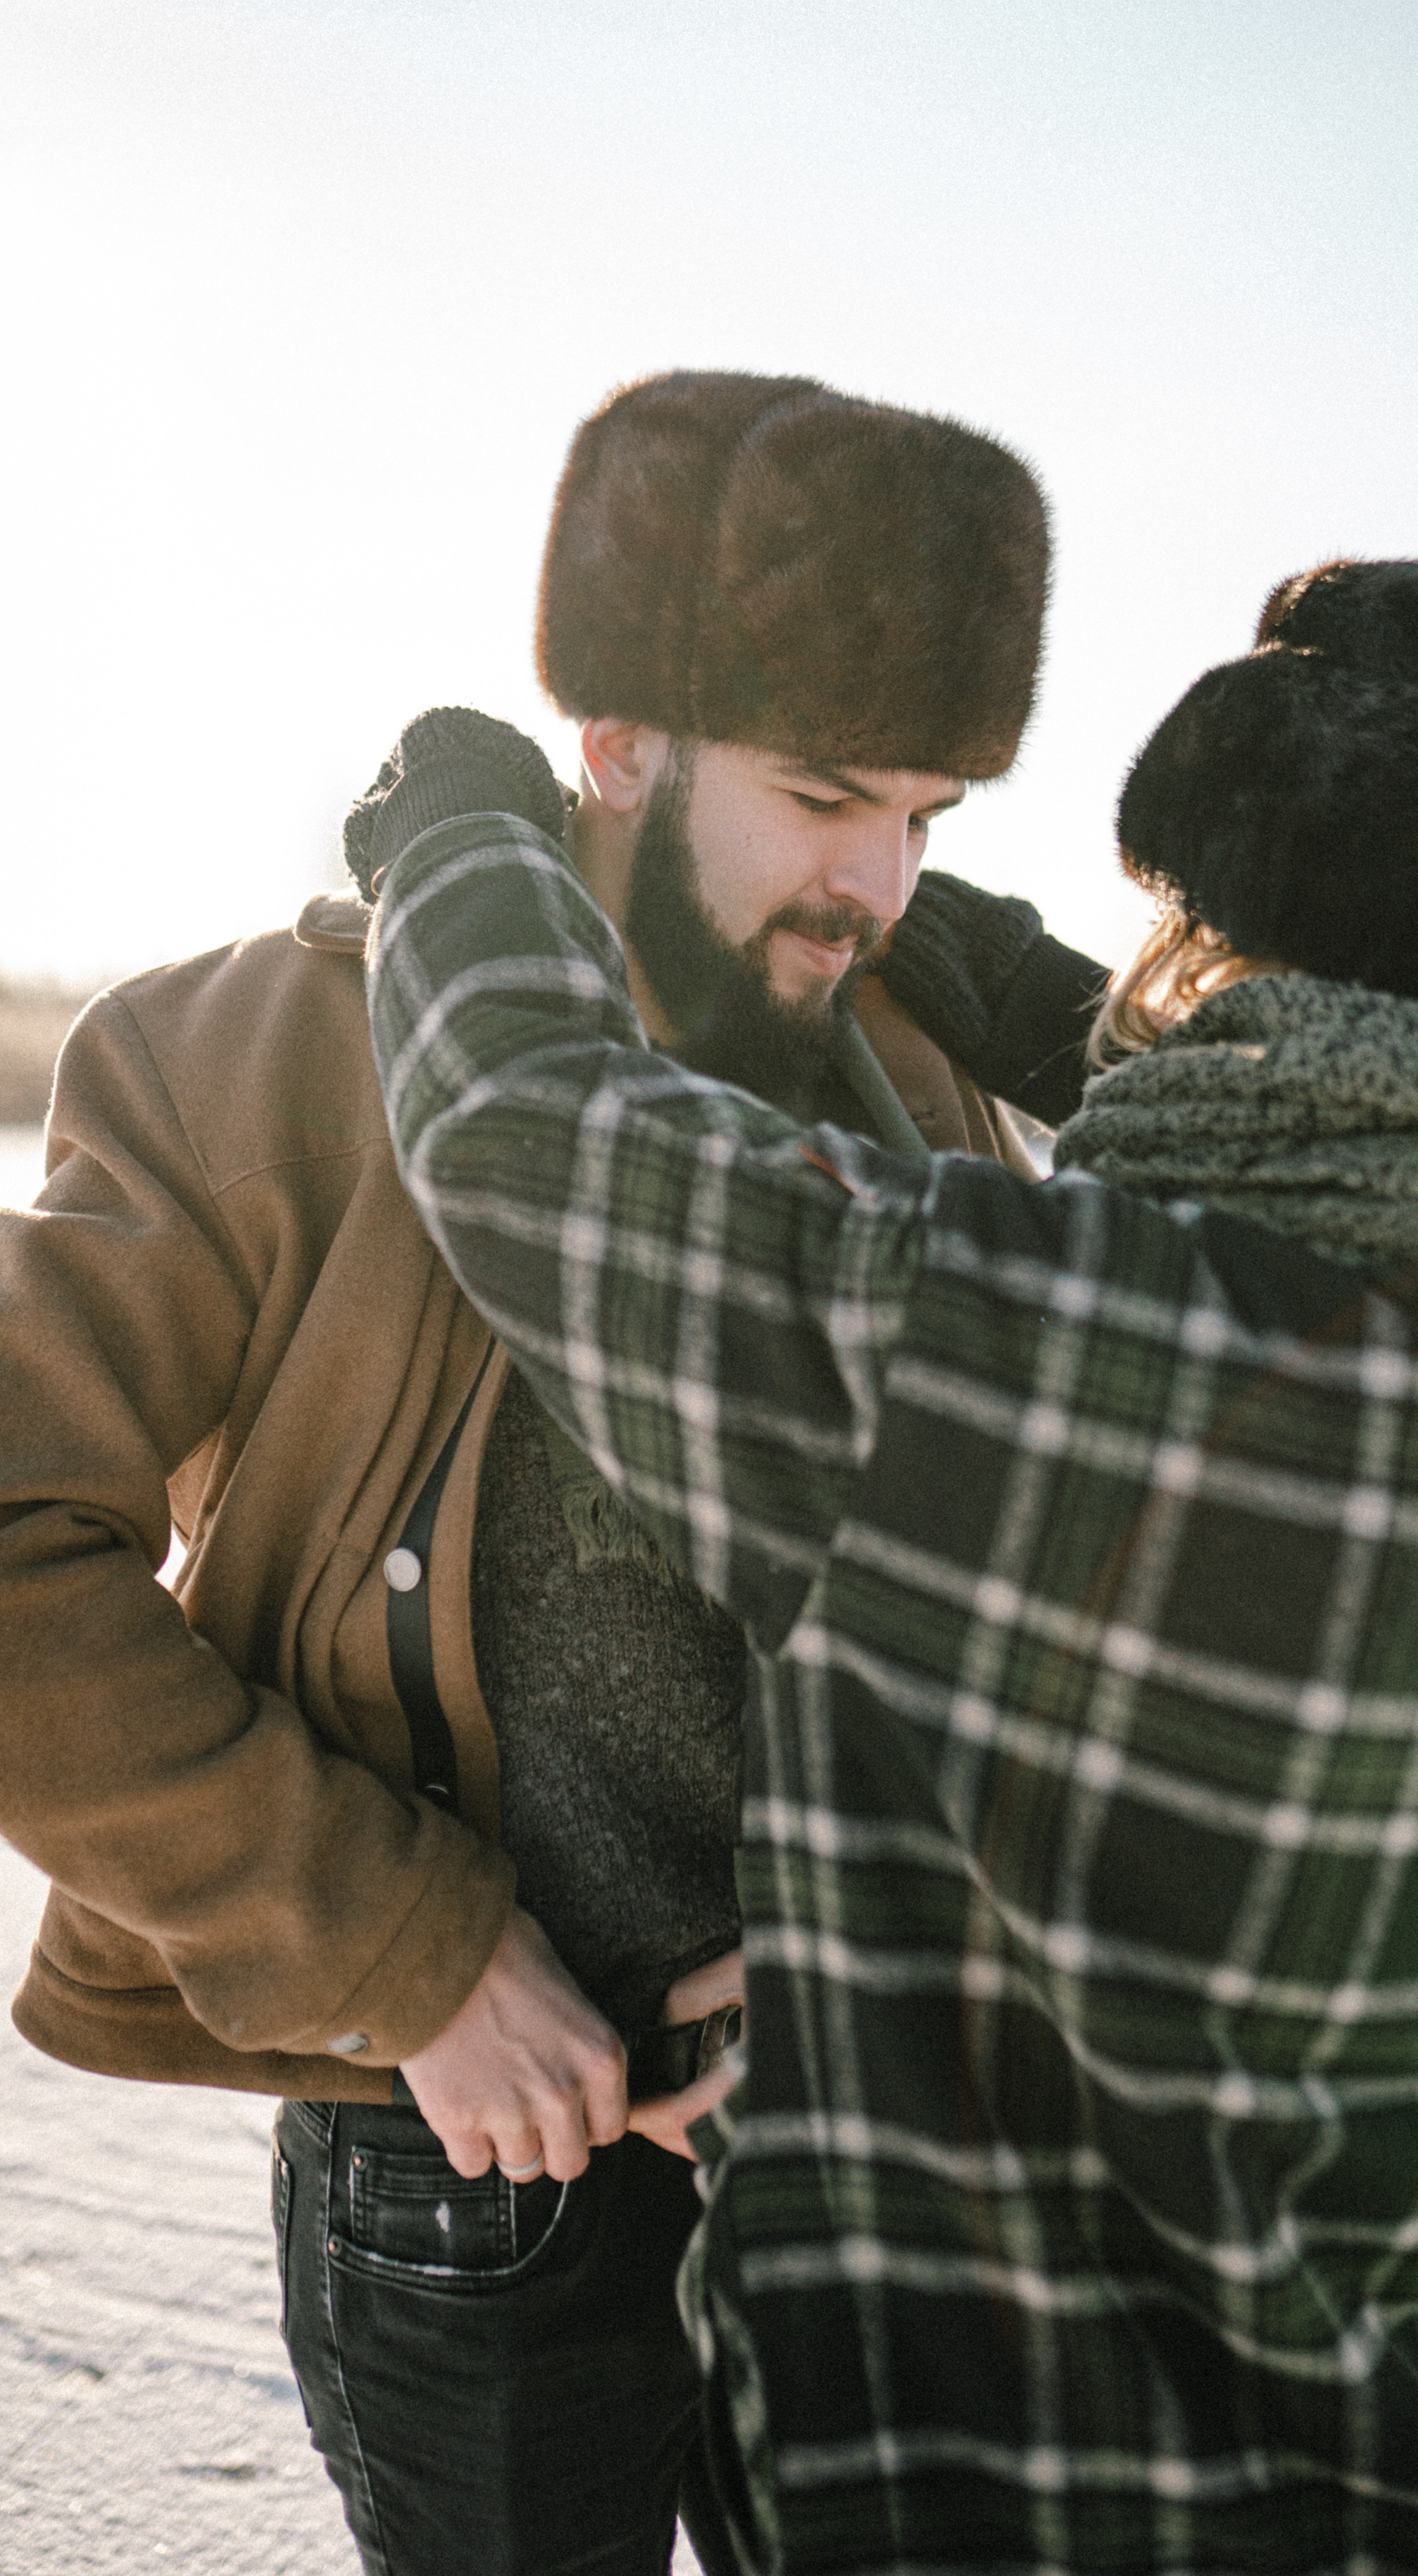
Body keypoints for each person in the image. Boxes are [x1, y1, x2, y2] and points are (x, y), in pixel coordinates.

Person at [360, 558, 1418, 2575]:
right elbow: (1260, 1158)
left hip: (1045, 2485)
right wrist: (937, 934)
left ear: (1260, 963)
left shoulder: (1040, 1346)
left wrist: (465, 818)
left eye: (1192, 927)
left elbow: (524, 1124)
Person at [0, 368, 1050, 2576]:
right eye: (825, 794)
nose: (876, 880)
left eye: (931, 814)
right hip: (465, 2164)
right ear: (619, 741)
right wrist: (414, 1954)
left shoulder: (916, 1075)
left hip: (864, 2169)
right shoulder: (249, 1056)